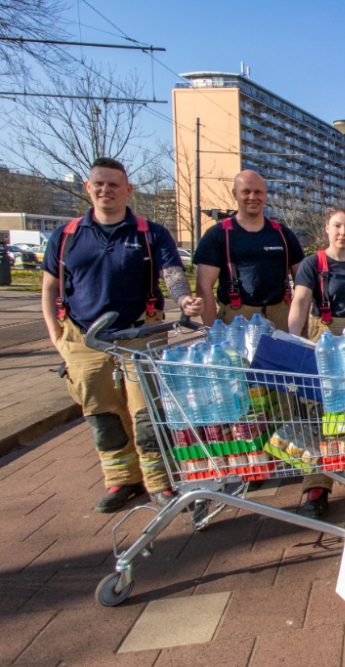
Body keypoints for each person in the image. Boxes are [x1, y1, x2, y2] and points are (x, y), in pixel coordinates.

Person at [40, 157, 203, 513]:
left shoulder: (150, 233)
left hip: (139, 334)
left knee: (147, 413)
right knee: (103, 415)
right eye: (99, 184)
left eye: (114, 184)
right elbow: (50, 285)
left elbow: (172, 273)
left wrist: (183, 299)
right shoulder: (66, 236)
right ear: (88, 187)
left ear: (128, 189)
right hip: (84, 338)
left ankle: (160, 482)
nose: (106, 190)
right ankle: (122, 480)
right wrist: (56, 335)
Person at [287, 207, 345, 518]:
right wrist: (294, 340)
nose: (343, 232)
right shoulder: (314, 264)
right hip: (327, 338)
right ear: (327, 228)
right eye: (338, 226)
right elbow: (301, 302)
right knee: (323, 413)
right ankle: (316, 488)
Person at [193, 170, 305, 330]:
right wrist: (213, 332)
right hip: (236, 320)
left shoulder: (283, 234)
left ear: (265, 195)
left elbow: (303, 284)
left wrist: (298, 327)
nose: (253, 197)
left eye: (258, 192)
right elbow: (203, 287)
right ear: (235, 194)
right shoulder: (217, 235)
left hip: (281, 317)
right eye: (246, 192)